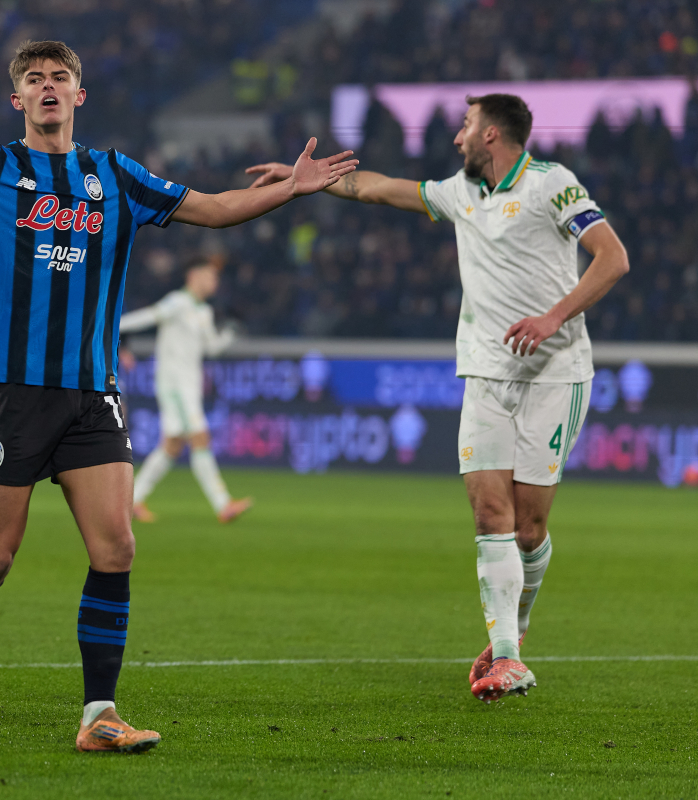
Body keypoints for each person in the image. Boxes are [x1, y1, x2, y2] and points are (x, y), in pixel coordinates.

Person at [0, 39, 356, 752]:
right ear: (18, 100)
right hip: (15, 394)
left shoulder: (117, 177)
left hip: (91, 395)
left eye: (61, 78)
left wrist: (290, 187)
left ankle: (98, 716)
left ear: (80, 95)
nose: (49, 87)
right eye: (35, 79)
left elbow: (216, 208)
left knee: (117, 548)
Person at [249, 93, 628, 703]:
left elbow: (613, 257)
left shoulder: (551, 185)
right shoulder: (460, 191)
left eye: (465, 125)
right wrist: (313, 184)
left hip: (555, 375)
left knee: (529, 528)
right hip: (483, 372)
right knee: (489, 515)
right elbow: (383, 189)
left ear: (493, 135)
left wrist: (553, 317)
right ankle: (507, 655)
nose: (456, 137)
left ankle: (517, 626)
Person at [120, 256, 253, 523]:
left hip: (189, 384)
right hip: (175, 385)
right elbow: (148, 317)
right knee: (200, 438)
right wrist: (113, 325)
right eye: (210, 275)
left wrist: (230, 332)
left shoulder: (202, 311)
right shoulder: (177, 302)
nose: (215, 281)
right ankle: (223, 504)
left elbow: (211, 348)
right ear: (194, 276)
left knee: (171, 446)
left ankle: (132, 501)